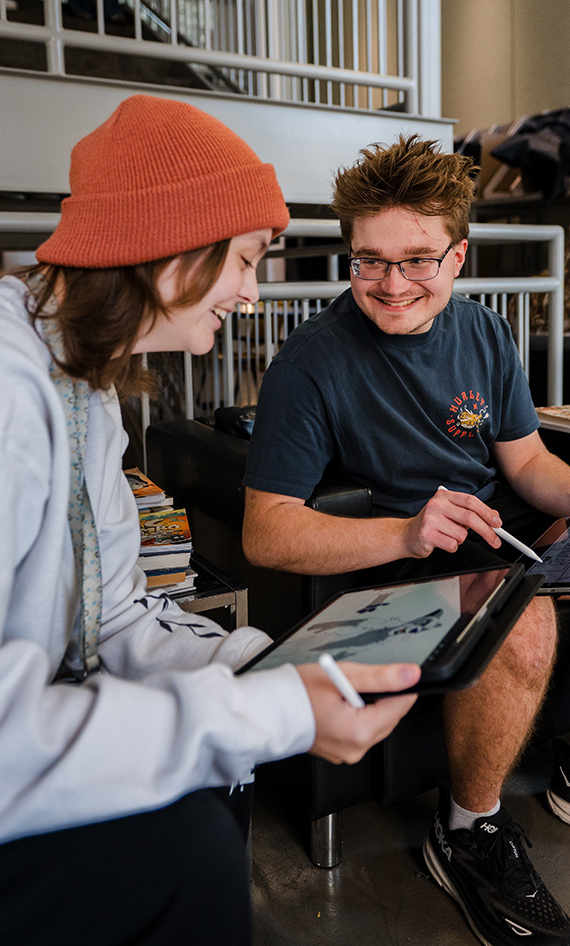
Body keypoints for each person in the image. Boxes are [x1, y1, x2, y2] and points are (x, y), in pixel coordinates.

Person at [0, 96, 423, 946]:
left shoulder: (87, 386)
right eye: (247, 260)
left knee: (205, 811)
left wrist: (270, 666)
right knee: (191, 851)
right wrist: (267, 713)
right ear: (172, 243)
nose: (253, 295)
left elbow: (114, 618)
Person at [242, 134, 570, 946]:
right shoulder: (309, 364)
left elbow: (526, 464)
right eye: (370, 262)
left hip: (492, 532)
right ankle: (465, 833)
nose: (393, 286)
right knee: (522, 630)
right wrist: (408, 526)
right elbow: (266, 533)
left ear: (457, 257)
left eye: (418, 260)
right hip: (393, 555)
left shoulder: (486, 334)